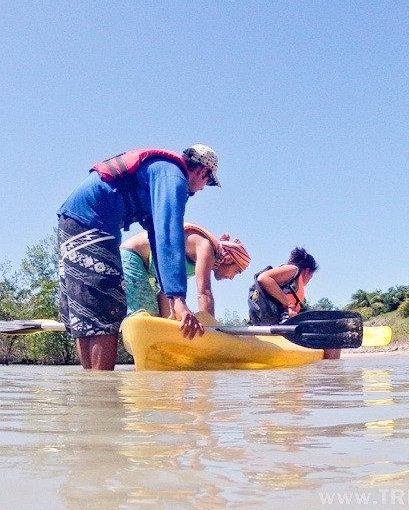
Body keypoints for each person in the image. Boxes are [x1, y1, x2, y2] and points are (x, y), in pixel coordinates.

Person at [57, 145, 220, 370]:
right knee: (106, 313)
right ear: (203, 172)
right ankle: (105, 399)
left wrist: (173, 299)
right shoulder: (173, 176)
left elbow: (157, 239)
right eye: (208, 183)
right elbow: (169, 231)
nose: (203, 189)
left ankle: (91, 397)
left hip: (72, 223)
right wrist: (180, 299)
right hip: (93, 223)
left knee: (88, 317)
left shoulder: (160, 173)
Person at [120, 223, 250, 318]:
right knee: (147, 316)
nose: (232, 277)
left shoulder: (194, 264)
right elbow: (204, 293)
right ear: (228, 259)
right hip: (133, 256)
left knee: (166, 321)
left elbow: (167, 293)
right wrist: (212, 331)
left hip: (148, 271)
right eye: (237, 271)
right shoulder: (206, 248)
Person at [248, 247, 339, 359]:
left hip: (281, 324)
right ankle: (331, 372)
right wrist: (289, 304)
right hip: (283, 325)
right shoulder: (293, 270)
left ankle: (323, 368)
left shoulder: (290, 280)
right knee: (334, 338)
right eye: (311, 275)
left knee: (329, 336)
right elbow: (263, 278)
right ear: (307, 271)